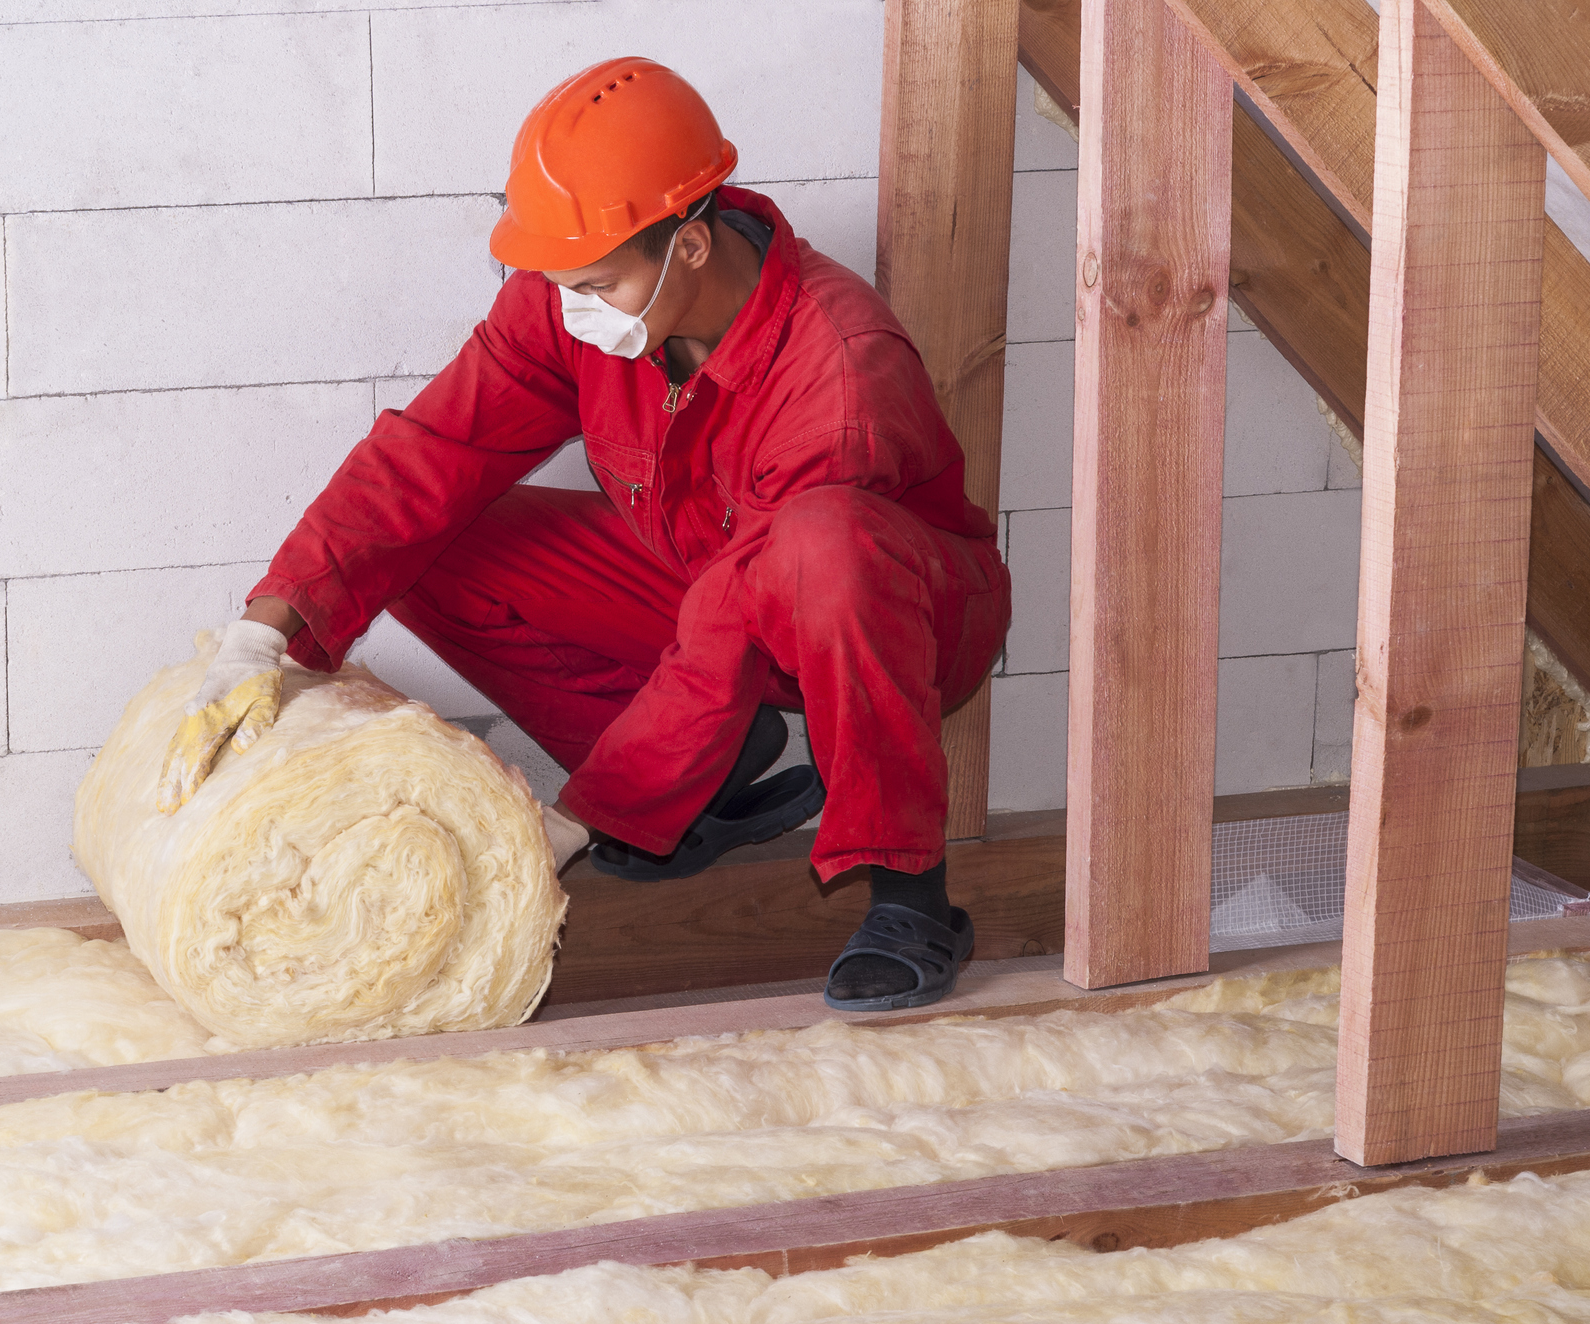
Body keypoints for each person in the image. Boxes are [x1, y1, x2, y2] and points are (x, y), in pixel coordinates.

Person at [157, 58, 1009, 1011]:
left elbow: (743, 612)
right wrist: (264, 631)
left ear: (689, 246)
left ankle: (913, 899)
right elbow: (435, 451)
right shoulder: (582, 300)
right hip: (701, 572)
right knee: (438, 541)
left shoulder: (837, 375)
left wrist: (581, 818)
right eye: (557, 281)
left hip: (879, 616)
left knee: (824, 548)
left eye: (595, 283)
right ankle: (706, 779)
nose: (570, 310)